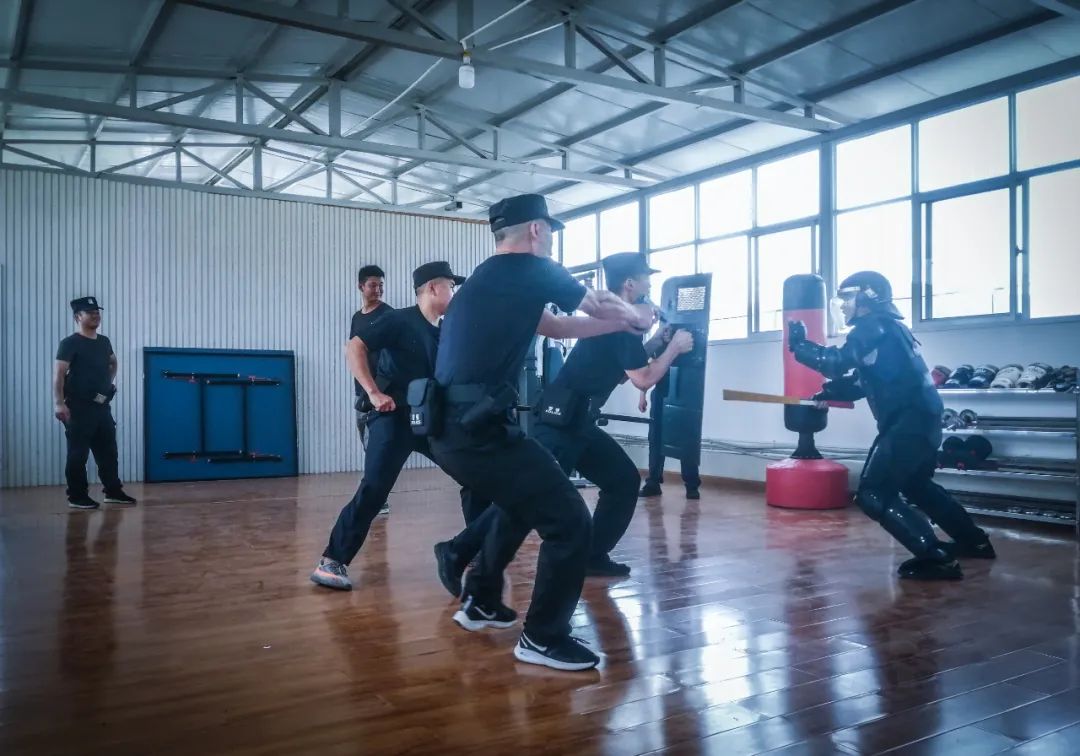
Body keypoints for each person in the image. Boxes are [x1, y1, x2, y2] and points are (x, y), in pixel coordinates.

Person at [428, 193, 653, 672]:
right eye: (549, 230)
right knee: (569, 522)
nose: (551, 238)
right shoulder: (531, 268)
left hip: (457, 426)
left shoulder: (492, 278)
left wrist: (620, 328)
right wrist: (636, 317)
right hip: (476, 429)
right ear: (536, 230)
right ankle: (542, 637)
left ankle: (481, 600)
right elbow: (596, 301)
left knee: (523, 501)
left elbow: (555, 327)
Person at [438, 253, 692, 583]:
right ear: (630, 284)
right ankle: (458, 550)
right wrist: (674, 349)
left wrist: (657, 341)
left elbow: (621, 372)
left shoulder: (619, 324)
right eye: (646, 278)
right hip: (562, 421)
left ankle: (592, 555)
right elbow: (642, 379)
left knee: (622, 481)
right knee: (529, 497)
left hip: (579, 421)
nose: (650, 284)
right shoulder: (619, 326)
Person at [788, 270, 995, 581]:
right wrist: (828, 393)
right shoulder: (891, 329)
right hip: (924, 419)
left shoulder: (873, 327)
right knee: (917, 485)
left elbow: (835, 363)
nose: (843, 305)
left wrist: (800, 346)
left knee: (873, 494)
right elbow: (865, 380)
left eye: (848, 298)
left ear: (868, 297)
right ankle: (974, 542)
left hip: (907, 422)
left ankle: (935, 557)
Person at [311, 262, 478, 590]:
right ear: (433, 288)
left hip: (429, 420)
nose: (454, 293)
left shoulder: (444, 331)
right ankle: (331, 561)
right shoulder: (398, 320)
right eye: (450, 286)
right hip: (393, 417)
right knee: (375, 488)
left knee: (475, 476)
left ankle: (472, 549)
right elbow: (354, 347)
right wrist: (373, 393)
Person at [53, 297, 136, 509]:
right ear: (77, 317)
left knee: (108, 452)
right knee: (78, 454)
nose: (95, 315)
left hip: (101, 407)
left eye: (97, 312)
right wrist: (59, 403)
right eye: (90, 312)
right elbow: (59, 375)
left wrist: (108, 383)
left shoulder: (104, 342)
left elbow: (113, 362)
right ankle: (77, 496)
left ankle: (113, 492)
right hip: (78, 408)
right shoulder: (70, 343)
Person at [349, 264, 393, 514]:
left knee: (376, 447)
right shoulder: (357, 318)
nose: (378, 290)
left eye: (381, 285)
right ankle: (375, 496)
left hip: (382, 392)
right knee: (367, 446)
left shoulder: (388, 315)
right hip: (361, 392)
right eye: (373, 285)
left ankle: (378, 500)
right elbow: (355, 351)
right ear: (361, 286)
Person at [639, 327, 702, 499]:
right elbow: (648, 369)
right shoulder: (660, 344)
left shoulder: (690, 342)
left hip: (685, 396)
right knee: (655, 439)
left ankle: (692, 485)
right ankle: (653, 483)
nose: (666, 333)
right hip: (661, 394)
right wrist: (642, 395)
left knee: (687, 439)